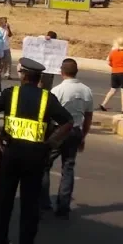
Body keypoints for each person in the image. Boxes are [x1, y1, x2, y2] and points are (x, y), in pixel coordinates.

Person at [0, 58, 74, 244]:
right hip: (35, 157)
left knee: (3, 200)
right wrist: (50, 144)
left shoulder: (10, 94)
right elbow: (68, 122)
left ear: (22, 75)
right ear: (39, 78)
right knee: (30, 204)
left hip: (10, 153)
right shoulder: (47, 98)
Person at [40, 59, 93, 219]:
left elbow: (47, 115)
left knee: (45, 165)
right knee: (68, 167)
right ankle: (63, 206)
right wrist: (83, 135)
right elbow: (89, 116)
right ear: (76, 72)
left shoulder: (57, 90)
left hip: (58, 130)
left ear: (61, 72)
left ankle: (44, 203)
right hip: (75, 130)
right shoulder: (86, 90)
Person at [100, 37, 123, 114]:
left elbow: (109, 62)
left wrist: (114, 66)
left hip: (115, 72)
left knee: (113, 89)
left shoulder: (113, 52)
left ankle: (103, 104)